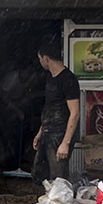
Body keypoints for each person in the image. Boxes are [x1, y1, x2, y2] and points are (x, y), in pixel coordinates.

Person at [32, 41, 81, 182]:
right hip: (47, 133)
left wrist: (65, 143)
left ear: (46, 58)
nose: (40, 62)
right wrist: (40, 133)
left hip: (59, 135)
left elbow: (75, 113)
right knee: (40, 174)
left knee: (57, 178)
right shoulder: (50, 78)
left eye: (40, 59)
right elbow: (50, 107)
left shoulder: (68, 80)